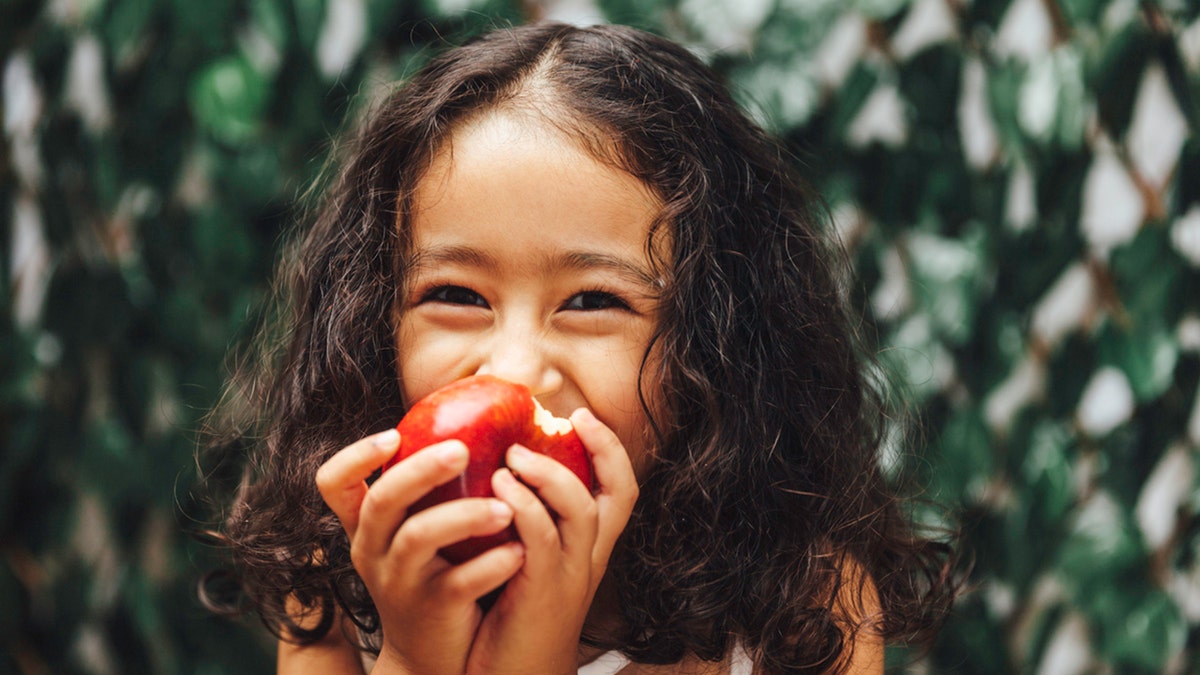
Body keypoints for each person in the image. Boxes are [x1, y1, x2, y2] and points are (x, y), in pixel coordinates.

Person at [199, 21, 958, 674]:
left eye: (593, 301)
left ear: (717, 349)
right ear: (375, 324)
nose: (514, 369)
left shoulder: (808, 609)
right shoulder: (333, 582)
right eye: (456, 295)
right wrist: (413, 655)